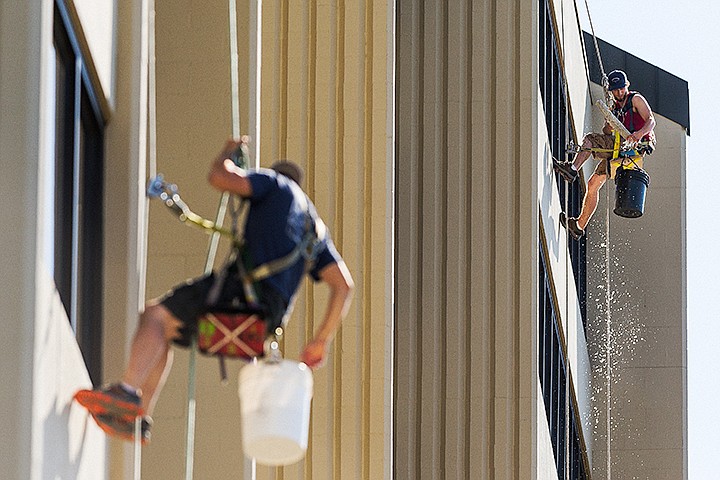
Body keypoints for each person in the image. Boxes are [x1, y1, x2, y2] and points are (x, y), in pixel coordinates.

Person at [75, 138, 354, 443]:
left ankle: (127, 393)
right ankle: (138, 417)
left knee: (155, 317)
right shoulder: (314, 228)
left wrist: (227, 153)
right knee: (167, 328)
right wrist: (320, 342)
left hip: (240, 294)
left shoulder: (274, 184)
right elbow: (344, 286)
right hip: (262, 326)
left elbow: (219, 178)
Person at [553, 69, 656, 240]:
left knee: (590, 141)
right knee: (593, 184)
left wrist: (637, 135)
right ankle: (578, 227)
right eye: (616, 90)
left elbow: (651, 120)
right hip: (617, 150)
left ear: (626, 86)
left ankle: (572, 169)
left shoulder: (635, 99)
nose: (619, 92)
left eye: (621, 88)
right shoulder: (614, 107)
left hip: (632, 150)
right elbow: (606, 132)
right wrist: (610, 121)